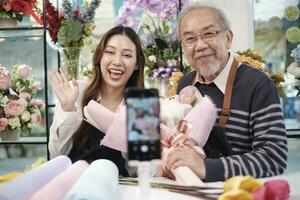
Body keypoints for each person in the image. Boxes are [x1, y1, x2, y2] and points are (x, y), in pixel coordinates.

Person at [165, 4, 288, 182]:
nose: (199, 46)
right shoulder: (185, 84)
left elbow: (274, 158)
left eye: (208, 34)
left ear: (228, 38)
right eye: (190, 39)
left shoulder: (258, 85)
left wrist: (206, 167)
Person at [48, 26, 145, 176]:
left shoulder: (141, 107)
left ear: (137, 64)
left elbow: (138, 171)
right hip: (73, 185)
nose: (117, 61)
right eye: (110, 52)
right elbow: (57, 155)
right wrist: (68, 108)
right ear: (100, 57)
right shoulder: (76, 92)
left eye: (126, 55)